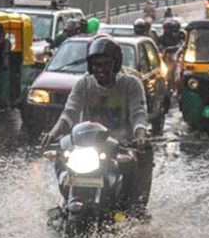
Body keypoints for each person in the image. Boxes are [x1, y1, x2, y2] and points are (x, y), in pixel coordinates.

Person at [39, 37, 153, 214]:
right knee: (61, 154)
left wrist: (140, 136)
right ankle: (66, 200)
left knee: (141, 158)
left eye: (106, 64)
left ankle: (134, 209)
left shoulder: (131, 83)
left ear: (115, 65)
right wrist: (53, 134)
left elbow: (139, 115)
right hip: (87, 143)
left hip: (121, 145)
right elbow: (69, 113)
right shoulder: (83, 83)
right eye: (96, 65)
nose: (100, 70)